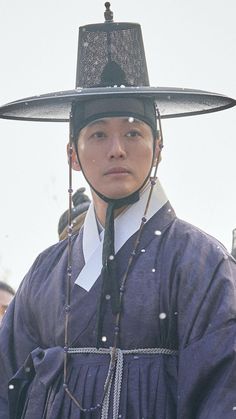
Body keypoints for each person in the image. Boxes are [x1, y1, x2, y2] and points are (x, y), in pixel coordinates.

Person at [0, 4, 236, 419]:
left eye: (132, 131)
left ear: (158, 146)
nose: (117, 149)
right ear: (72, 154)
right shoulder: (45, 273)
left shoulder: (201, 263)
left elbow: (223, 394)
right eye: (97, 134)